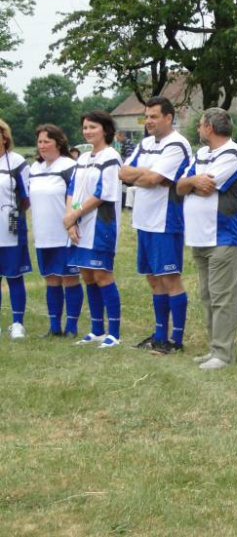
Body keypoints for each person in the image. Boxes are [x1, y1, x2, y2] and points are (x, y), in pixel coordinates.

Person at [119, 96, 192, 355]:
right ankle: (160, 334)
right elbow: (123, 172)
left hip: (165, 220)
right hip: (143, 220)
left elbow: (154, 178)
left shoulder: (178, 144)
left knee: (169, 279)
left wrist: (145, 177)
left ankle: (176, 340)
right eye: (146, 116)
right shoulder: (146, 143)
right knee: (153, 280)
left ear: (169, 118)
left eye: (154, 116)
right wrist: (145, 177)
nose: (149, 121)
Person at [178, 108, 237, 371]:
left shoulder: (233, 152)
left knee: (222, 297)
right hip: (199, 236)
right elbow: (179, 185)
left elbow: (209, 186)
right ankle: (214, 348)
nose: (198, 129)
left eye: (199, 125)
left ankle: (223, 353)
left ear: (208, 127)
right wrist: (192, 180)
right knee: (207, 296)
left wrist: (191, 181)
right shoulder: (201, 154)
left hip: (224, 236)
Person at [65, 110, 123, 348]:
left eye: (93, 127)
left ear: (105, 130)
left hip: (101, 224)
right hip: (79, 223)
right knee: (87, 274)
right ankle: (97, 329)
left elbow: (102, 194)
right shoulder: (82, 158)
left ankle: (114, 333)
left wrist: (74, 215)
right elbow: (72, 190)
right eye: (85, 127)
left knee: (101, 274)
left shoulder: (111, 156)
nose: (88, 131)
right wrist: (70, 219)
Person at [29, 124, 83, 338]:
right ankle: (54, 327)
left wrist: (74, 220)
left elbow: (79, 199)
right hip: (43, 235)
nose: (42, 146)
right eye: (40, 142)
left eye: (46, 141)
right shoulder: (35, 168)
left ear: (58, 142)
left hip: (65, 235)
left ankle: (71, 327)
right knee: (51, 279)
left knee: (69, 279)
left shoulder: (70, 166)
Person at [0, 118, 31, 339]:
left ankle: (17, 323)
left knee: (14, 276)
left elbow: (27, 197)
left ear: (4, 137)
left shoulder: (17, 161)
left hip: (11, 228)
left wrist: (13, 215)